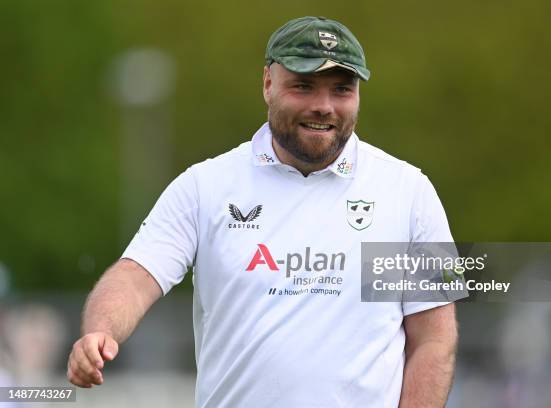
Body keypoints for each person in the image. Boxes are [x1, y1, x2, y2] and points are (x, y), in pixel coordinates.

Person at [67, 16, 458, 407]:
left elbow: (433, 342)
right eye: (303, 86)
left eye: (341, 89)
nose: (323, 106)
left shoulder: (408, 192)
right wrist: (100, 332)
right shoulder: (206, 186)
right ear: (268, 84)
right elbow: (136, 275)